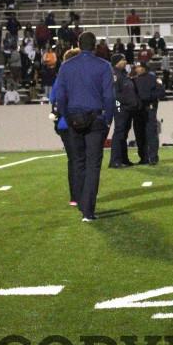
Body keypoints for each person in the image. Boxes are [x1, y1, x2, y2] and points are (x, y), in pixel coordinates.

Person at [54, 32, 115, 221]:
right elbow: (109, 96)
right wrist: (108, 119)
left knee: (78, 161)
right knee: (92, 164)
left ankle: (81, 202)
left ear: (79, 45)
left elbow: (60, 96)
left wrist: (66, 115)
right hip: (96, 119)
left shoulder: (66, 66)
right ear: (95, 46)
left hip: (73, 118)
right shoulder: (104, 66)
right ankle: (88, 210)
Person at [48, 48, 82, 206]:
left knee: (73, 159)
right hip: (77, 121)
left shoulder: (60, 78)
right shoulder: (79, 77)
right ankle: (81, 194)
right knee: (80, 159)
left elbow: (52, 98)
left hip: (63, 123)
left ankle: (75, 195)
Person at [109, 54, 139, 168]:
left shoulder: (123, 74)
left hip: (127, 108)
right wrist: (120, 107)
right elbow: (115, 95)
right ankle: (115, 160)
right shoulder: (115, 74)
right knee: (119, 133)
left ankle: (124, 159)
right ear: (117, 62)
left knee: (123, 134)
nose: (125, 62)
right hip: (121, 107)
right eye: (123, 60)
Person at [134, 62, 165, 164]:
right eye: (136, 67)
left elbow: (161, 93)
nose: (137, 69)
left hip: (149, 108)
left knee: (151, 133)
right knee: (139, 135)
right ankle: (143, 158)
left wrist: (148, 97)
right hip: (137, 110)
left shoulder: (153, 78)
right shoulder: (134, 79)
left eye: (139, 67)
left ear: (144, 68)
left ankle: (153, 157)